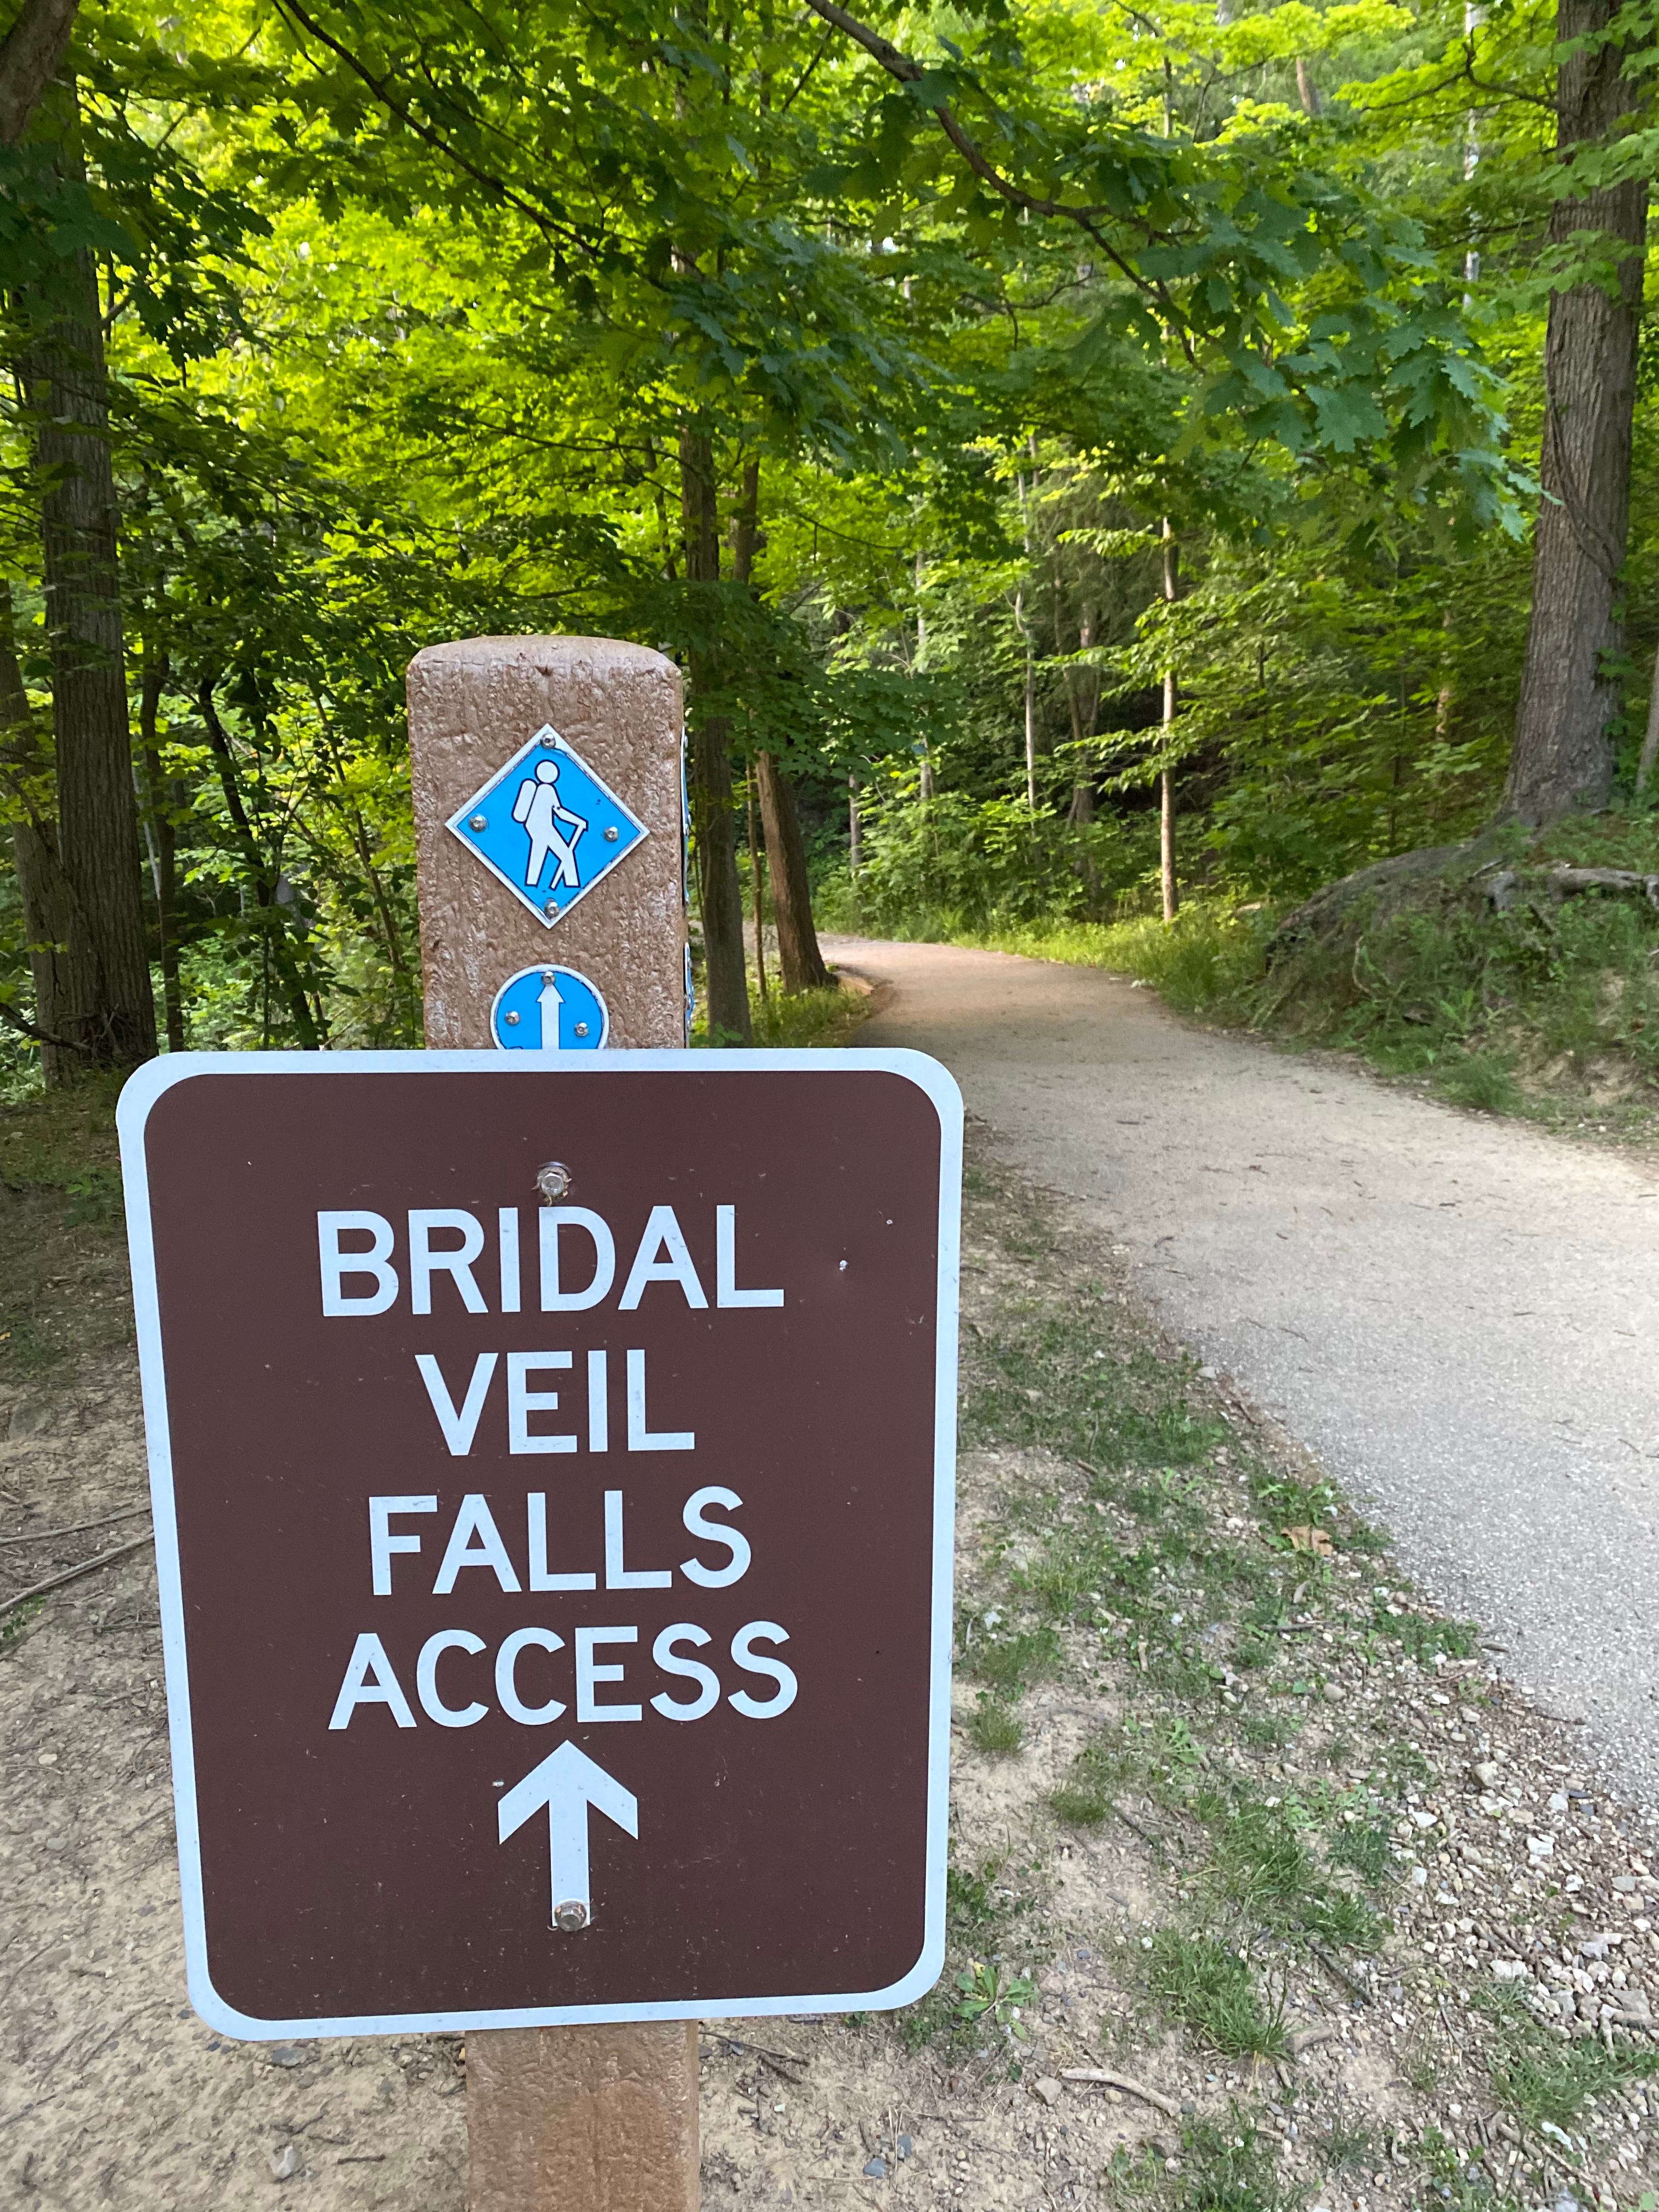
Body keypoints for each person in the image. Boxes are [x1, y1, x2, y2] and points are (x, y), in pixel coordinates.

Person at [512, 757, 587, 892]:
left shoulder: (541, 789)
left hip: (535, 830)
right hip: (544, 831)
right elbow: (560, 812)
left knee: (537, 860)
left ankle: (532, 886)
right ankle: (571, 886)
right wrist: (579, 821)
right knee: (566, 856)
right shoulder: (547, 789)